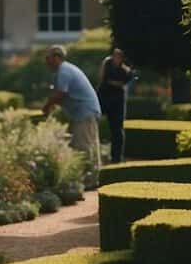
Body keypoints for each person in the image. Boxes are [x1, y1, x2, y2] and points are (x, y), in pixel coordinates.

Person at [42, 45, 103, 189]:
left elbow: (60, 93)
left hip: (85, 111)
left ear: (57, 57)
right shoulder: (63, 70)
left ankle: (88, 181)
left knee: (83, 147)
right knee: (87, 145)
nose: (46, 62)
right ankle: (92, 179)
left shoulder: (64, 71)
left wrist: (47, 106)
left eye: (48, 58)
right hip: (84, 111)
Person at [98, 47, 135, 164]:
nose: (116, 58)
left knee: (117, 130)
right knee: (92, 120)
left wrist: (113, 82)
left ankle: (117, 158)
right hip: (104, 96)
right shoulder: (107, 63)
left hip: (117, 101)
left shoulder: (126, 70)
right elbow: (102, 78)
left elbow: (123, 82)